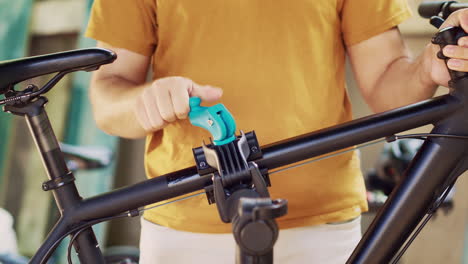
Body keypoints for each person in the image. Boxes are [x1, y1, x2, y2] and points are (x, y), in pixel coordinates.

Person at [85, 1, 468, 263]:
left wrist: (426, 68)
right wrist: (145, 102)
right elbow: (109, 97)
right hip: (185, 229)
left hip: (321, 230)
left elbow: (387, 84)